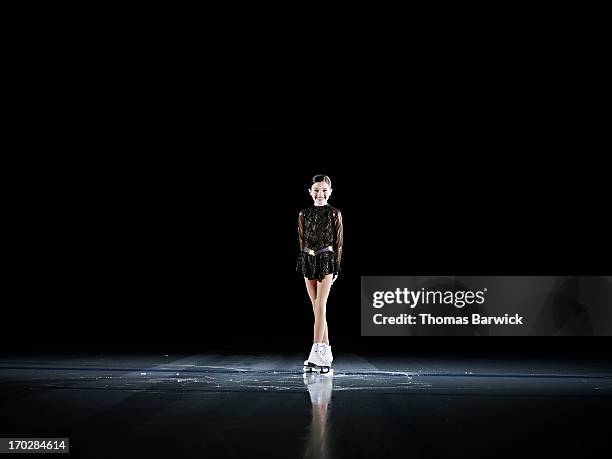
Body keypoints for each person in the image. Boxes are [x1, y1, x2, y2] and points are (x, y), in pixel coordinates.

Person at [297, 175, 343, 373]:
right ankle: (326, 354)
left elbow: (339, 243)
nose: (320, 194)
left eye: (324, 190)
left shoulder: (335, 213)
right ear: (310, 192)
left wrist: (337, 267)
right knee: (316, 307)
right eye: (316, 190)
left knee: (321, 304)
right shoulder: (303, 214)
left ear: (330, 192)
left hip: (327, 259)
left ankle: (316, 351)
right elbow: (301, 239)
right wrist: (303, 260)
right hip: (308, 259)